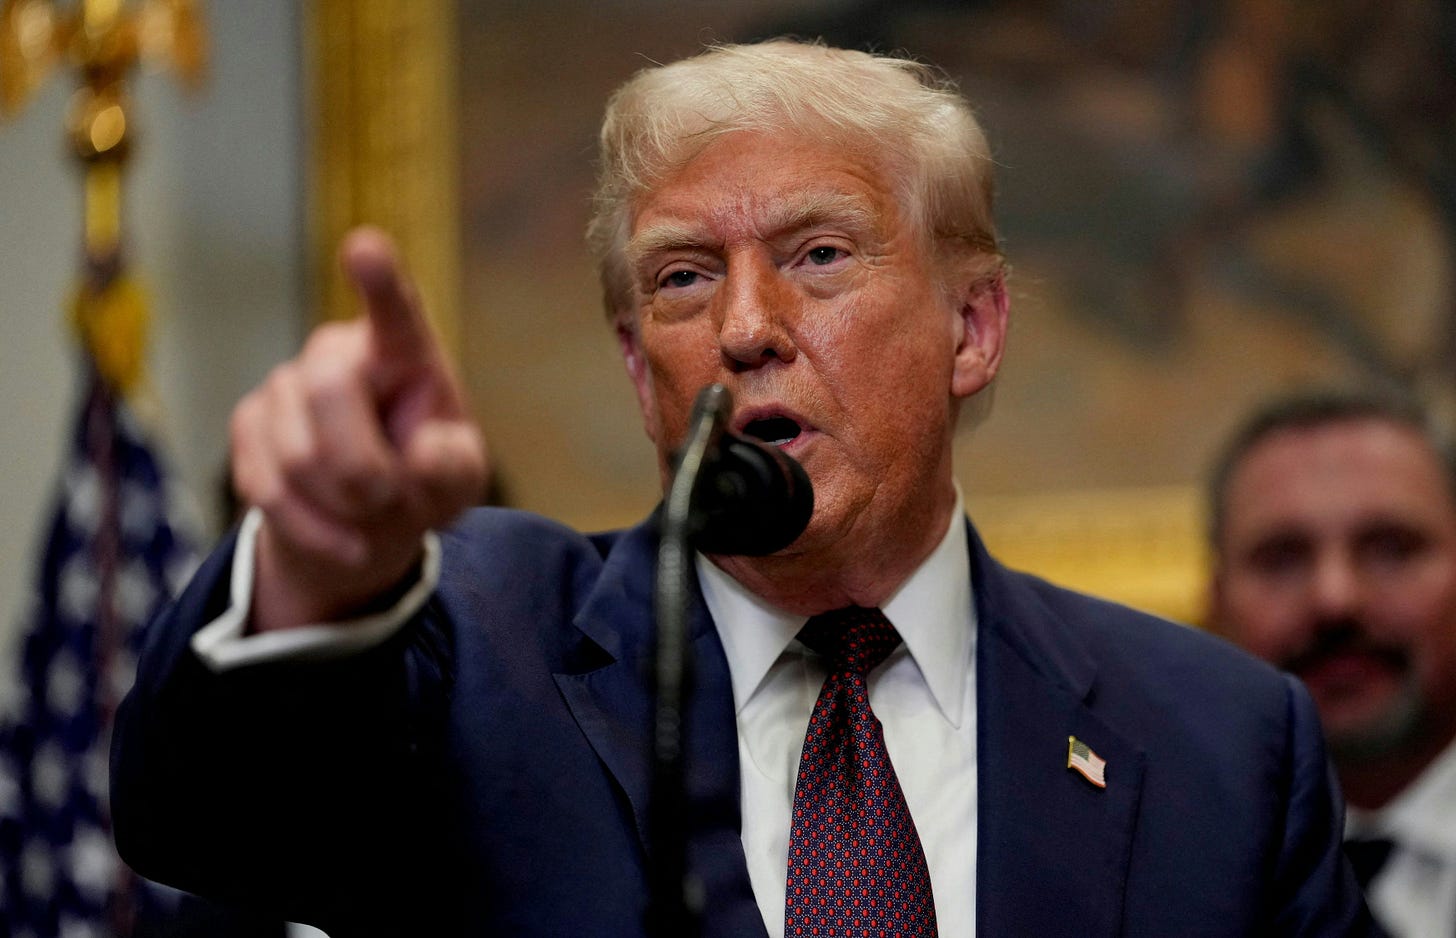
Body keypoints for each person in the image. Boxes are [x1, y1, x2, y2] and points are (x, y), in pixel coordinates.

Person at [111, 40, 1377, 937]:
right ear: (633, 363)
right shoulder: (481, 646)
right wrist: (318, 569)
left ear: (973, 326)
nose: (746, 326)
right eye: (678, 279)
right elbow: (201, 817)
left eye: (819, 255)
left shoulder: (1220, 743)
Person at [1208, 387, 1456, 938]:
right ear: (1216, 605)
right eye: (1282, 559)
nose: (1335, 599)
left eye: (1392, 548)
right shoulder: (1147, 868)